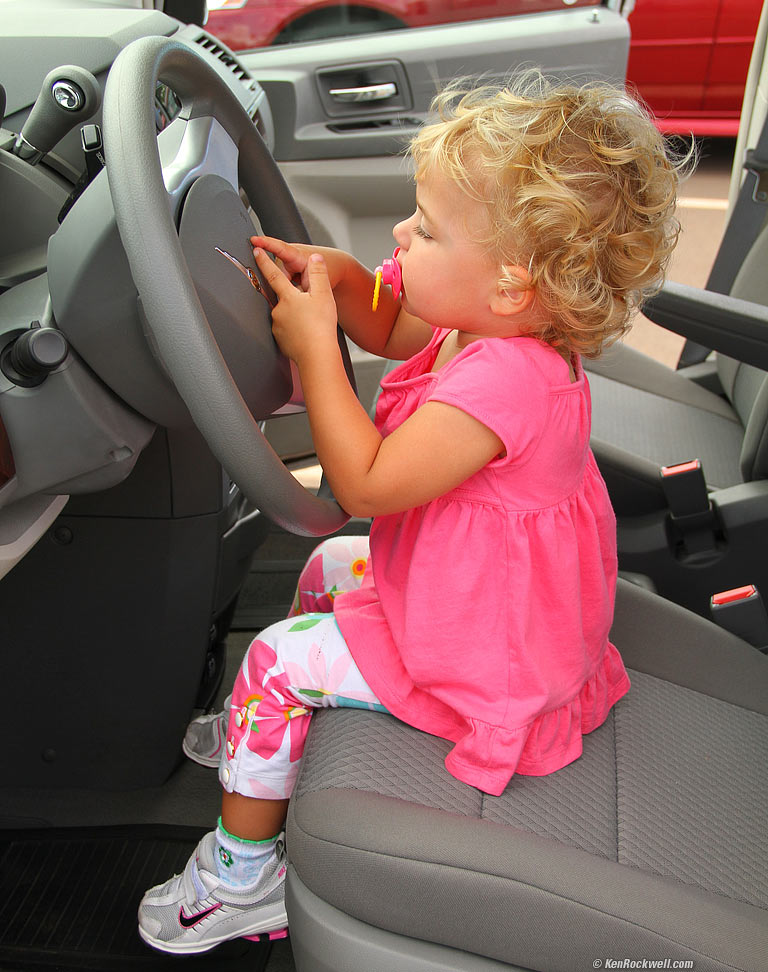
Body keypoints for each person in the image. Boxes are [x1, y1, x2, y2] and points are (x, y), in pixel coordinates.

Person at [138, 71, 687, 954]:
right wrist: (340, 281)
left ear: (510, 282)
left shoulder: (511, 379)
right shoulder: (492, 322)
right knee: (324, 570)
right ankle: (270, 742)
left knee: (276, 662)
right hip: (486, 598)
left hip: (492, 654)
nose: (402, 234)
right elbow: (395, 325)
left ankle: (239, 883)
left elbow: (364, 485)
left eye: (425, 230)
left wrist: (315, 346)